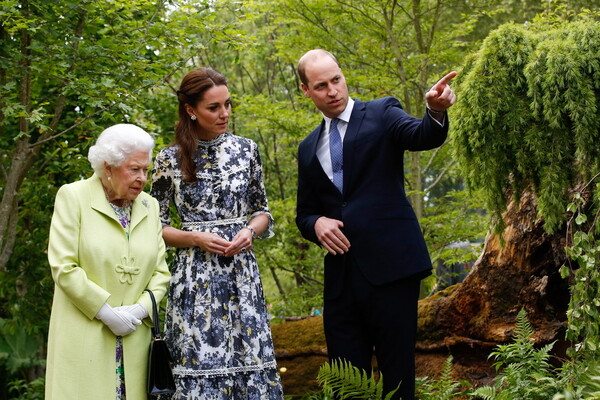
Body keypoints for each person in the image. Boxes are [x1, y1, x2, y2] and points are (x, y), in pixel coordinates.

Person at [295, 49, 457, 400]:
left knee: (397, 377)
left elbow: (423, 135)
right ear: (306, 91)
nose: (333, 90)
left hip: (392, 268)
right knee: (346, 384)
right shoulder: (307, 148)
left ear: (343, 75)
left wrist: (436, 111)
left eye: (336, 80)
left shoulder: (382, 112)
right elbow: (303, 214)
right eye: (321, 85)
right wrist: (317, 223)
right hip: (341, 280)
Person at [150, 67, 283, 399]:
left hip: (242, 275)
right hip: (196, 280)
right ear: (191, 110)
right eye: (214, 107)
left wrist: (250, 231)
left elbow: (262, 211)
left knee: (249, 363)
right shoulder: (169, 159)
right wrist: (195, 238)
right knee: (200, 366)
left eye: (228, 104)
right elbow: (154, 227)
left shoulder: (247, 150)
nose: (224, 113)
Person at [45, 124, 171, 400]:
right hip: (85, 336)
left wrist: (139, 311)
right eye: (134, 169)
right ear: (109, 167)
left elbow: (161, 272)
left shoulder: (150, 207)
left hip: (135, 338)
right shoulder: (73, 197)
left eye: (145, 171)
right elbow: (63, 267)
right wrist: (106, 313)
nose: (142, 178)